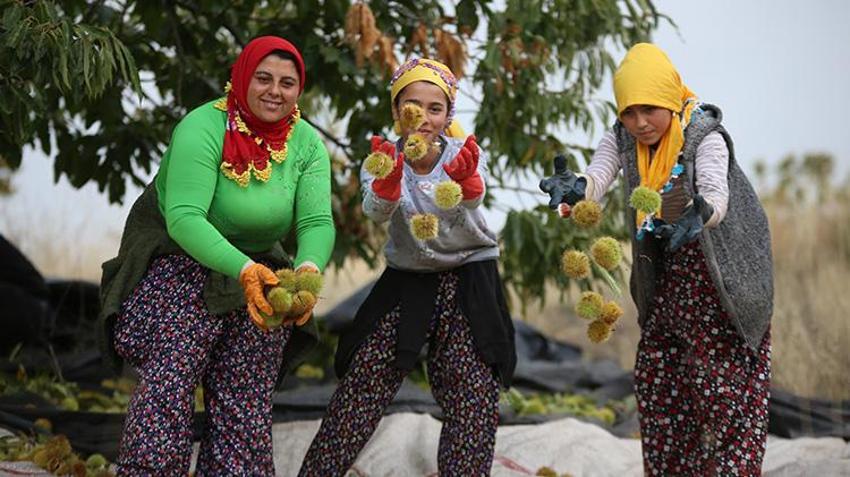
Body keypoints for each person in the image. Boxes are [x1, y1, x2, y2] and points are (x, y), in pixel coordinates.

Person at [97, 36, 335, 475]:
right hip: (178, 258)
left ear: (299, 89)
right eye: (263, 78)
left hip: (260, 264)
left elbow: (316, 222)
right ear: (242, 78)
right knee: (171, 375)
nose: (274, 91)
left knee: (246, 390)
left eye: (287, 83)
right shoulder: (202, 127)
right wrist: (242, 269)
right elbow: (184, 218)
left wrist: (306, 270)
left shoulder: (305, 144)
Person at [540, 43, 773, 475]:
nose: (640, 122)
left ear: (669, 99)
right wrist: (577, 191)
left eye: (649, 109)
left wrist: (699, 213)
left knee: (723, 394)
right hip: (668, 285)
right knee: (660, 388)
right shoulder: (622, 137)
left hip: (723, 286)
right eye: (629, 112)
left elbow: (715, 194)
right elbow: (598, 176)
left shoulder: (704, 135)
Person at [298, 58, 516, 476]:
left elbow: (474, 199)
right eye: (413, 106)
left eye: (436, 108)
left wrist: (467, 180)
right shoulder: (381, 159)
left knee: (471, 392)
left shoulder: (464, 153)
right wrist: (387, 185)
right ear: (397, 110)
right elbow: (375, 212)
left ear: (448, 115)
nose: (424, 117)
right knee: (364, 378)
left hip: (469, 275)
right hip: (408, 277)